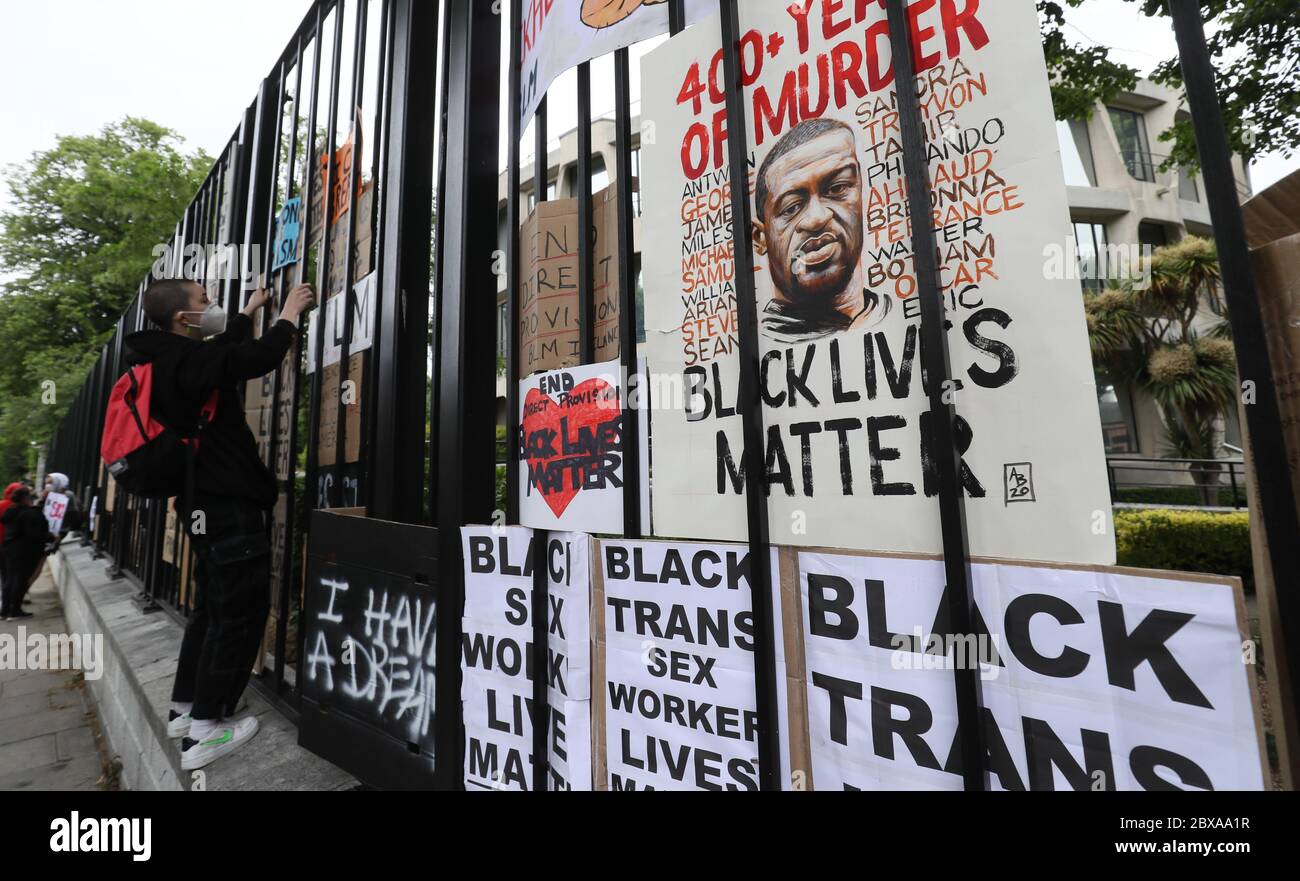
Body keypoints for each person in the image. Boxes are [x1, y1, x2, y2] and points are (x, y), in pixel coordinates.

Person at [125, 278, 314, 771]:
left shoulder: (165, 358)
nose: (212, 306)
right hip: (225, 504)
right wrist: (288, 316)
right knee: (240, 611)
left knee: (212, 608)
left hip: (203, 504)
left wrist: (249, 312)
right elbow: (248, 360)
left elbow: (225, 351)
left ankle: (187, 709)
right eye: (204, 301)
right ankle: (207, 729)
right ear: (182, 319)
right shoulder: (182, 360)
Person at [752, 117, 892, 344]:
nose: (816, 219)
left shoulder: (892, 314)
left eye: (837, 188)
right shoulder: (763, 343)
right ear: (760, 238)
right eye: (791, 207)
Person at [1, 486, 54, 620]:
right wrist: (51, 537)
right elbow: (34, 534)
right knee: (20, 579)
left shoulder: (10, 511)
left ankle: (5, 610)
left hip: (8, 548)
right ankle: (15, 611)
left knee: (9, 579)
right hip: (24, 551)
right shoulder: (29, 514)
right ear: (25, 498)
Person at [0, 482, 26, 613]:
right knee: (14, 576)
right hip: (12, 545)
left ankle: (6, 604)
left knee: (5, 576)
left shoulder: (2, 505)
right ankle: (12, 603)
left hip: (3, 544)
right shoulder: (18, 508)